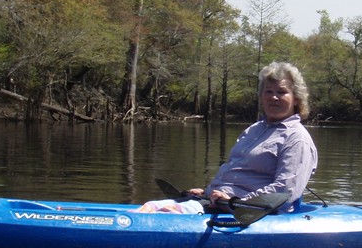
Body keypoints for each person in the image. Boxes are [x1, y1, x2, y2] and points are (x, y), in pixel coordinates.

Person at [136, 61, 318, 214]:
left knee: (164, 213)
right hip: (218, 203)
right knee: (149, 206)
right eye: (268, 92)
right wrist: (208, 192)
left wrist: (234, 200)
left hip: (247, 211)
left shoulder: (297, 138)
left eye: (281, 92)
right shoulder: (254, 129)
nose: (274, 98)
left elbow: (286, 190)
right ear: (261, 96)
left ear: (296, 99)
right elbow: (236, 174)